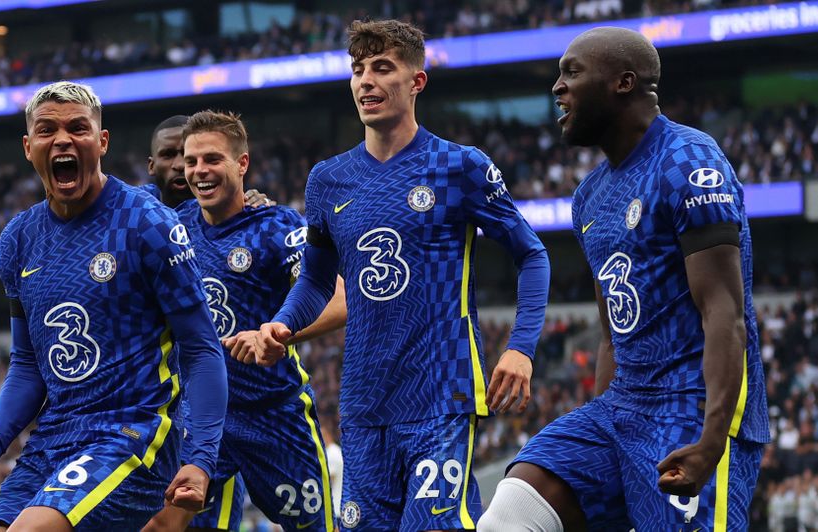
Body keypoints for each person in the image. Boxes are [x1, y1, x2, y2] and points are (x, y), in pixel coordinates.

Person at [251, 20, 550, 531]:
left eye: (382, 68)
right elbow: (317, 280)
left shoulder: (459, 166)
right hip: (364, 401)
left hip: (443, 391)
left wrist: (521, 346)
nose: (365, 81)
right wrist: (282, 323)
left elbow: (533, 254)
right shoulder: (328, 179)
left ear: (417, 82)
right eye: (358, 70)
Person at [477, 27, 769, 531]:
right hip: (622, 408)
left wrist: (712, 438)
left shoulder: (688, 161)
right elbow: (614, 330)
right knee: (512, 510)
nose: (557, 87)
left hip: (689, 409)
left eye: (572, 72)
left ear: (623, 82)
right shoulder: (589, 197)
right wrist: (607, 417)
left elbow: (724, 312)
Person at [0, 81, 228, 531]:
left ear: (102, 141)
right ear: (28, 146)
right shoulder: (19, 240)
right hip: (54, 437)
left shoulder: (146, 222)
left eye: (78, 128)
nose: (62, 140)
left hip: (132, 432)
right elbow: (27, 364)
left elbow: (202, 349)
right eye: (47, 130)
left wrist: (201, 458)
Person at [144, 110, 346, 532]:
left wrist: (277, 332)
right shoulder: (172, 230)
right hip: (201, 419)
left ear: (242, 164)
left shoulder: (276, 226)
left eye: (213, 159)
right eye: (191, 161)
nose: (199, 171)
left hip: (275, 414)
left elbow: (340, 297)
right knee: (161, 523)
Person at [146, 114, 273, 210]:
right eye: (168, 155)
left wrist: (260, 211)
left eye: (188, 157)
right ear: (151, 166)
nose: (180, 165)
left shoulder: (246, 211)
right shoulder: (134, 207)